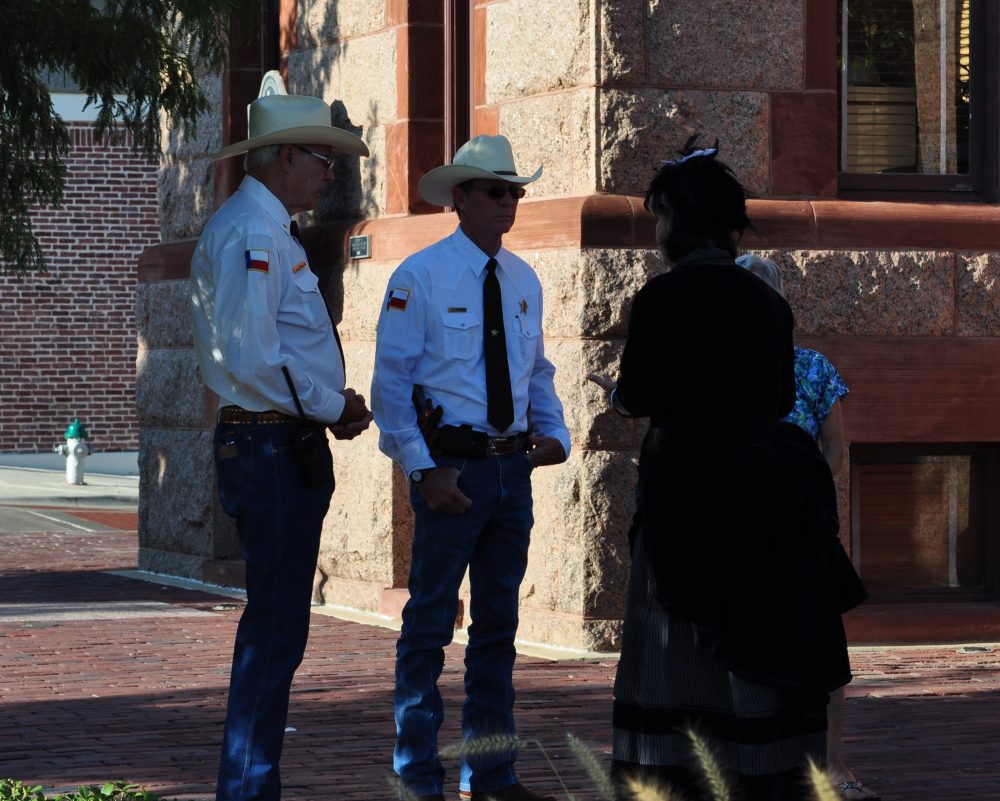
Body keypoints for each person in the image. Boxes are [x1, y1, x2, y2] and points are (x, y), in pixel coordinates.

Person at [587, 140, 866, 801]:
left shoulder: (661, 298)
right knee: (752, 644)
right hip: (761, 500)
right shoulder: (767, 302)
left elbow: (641, 393)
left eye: (660, 217)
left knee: (676, 646)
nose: (656, 233)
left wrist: (619, 396)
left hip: (684, 496)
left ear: (681, 221)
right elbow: (777, 398)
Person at [371, 134, 570, 801]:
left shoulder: (523, 280)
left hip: (510, 472)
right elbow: (391, 387)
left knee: (498, 629)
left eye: (514, 190)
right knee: (429, 623)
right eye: (494, 190)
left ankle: (491, 774)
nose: (507, 202)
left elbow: (535, 370)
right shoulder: (418, 276)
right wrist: (424, 471)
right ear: (460, 197)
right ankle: (417, 775)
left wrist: (556, 432)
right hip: (451, 468)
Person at [190, 75, 373, 801]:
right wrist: (334, 407)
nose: (329, 174)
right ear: (281, 157)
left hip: (277, 442)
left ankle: (252, 781)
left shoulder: (265, 229)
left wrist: (326, 409)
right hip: (269, 442)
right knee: (273, 629)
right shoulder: (252, 232)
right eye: (319, 158)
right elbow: (254, 357)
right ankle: (248, 786)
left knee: (279, 626)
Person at [737, 254, 879, 801]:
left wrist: (797, 493)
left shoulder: (813, 367)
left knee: (824, 649)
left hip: (801, 526)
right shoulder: (717, 370)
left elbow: (835, 451)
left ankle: (832, 766)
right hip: (738, 530)